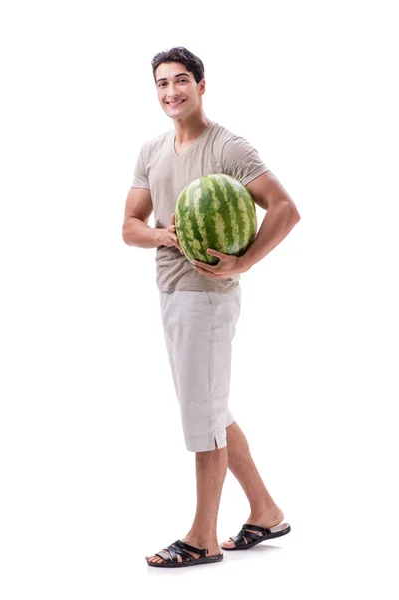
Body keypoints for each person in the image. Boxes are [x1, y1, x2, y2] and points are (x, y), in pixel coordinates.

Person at [122, 46, 300, 568]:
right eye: (162, 84)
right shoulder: (152, 150)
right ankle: (266, 511)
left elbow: (286, 208)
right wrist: (165, 235)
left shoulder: (229, 147)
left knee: (202, 418)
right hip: (171, 291)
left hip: (209, 297)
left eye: (181, 81)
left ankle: (202, 537)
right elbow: (129, 227)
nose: (171, 92)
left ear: (202, 85)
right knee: (212, 410)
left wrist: (240, 264)